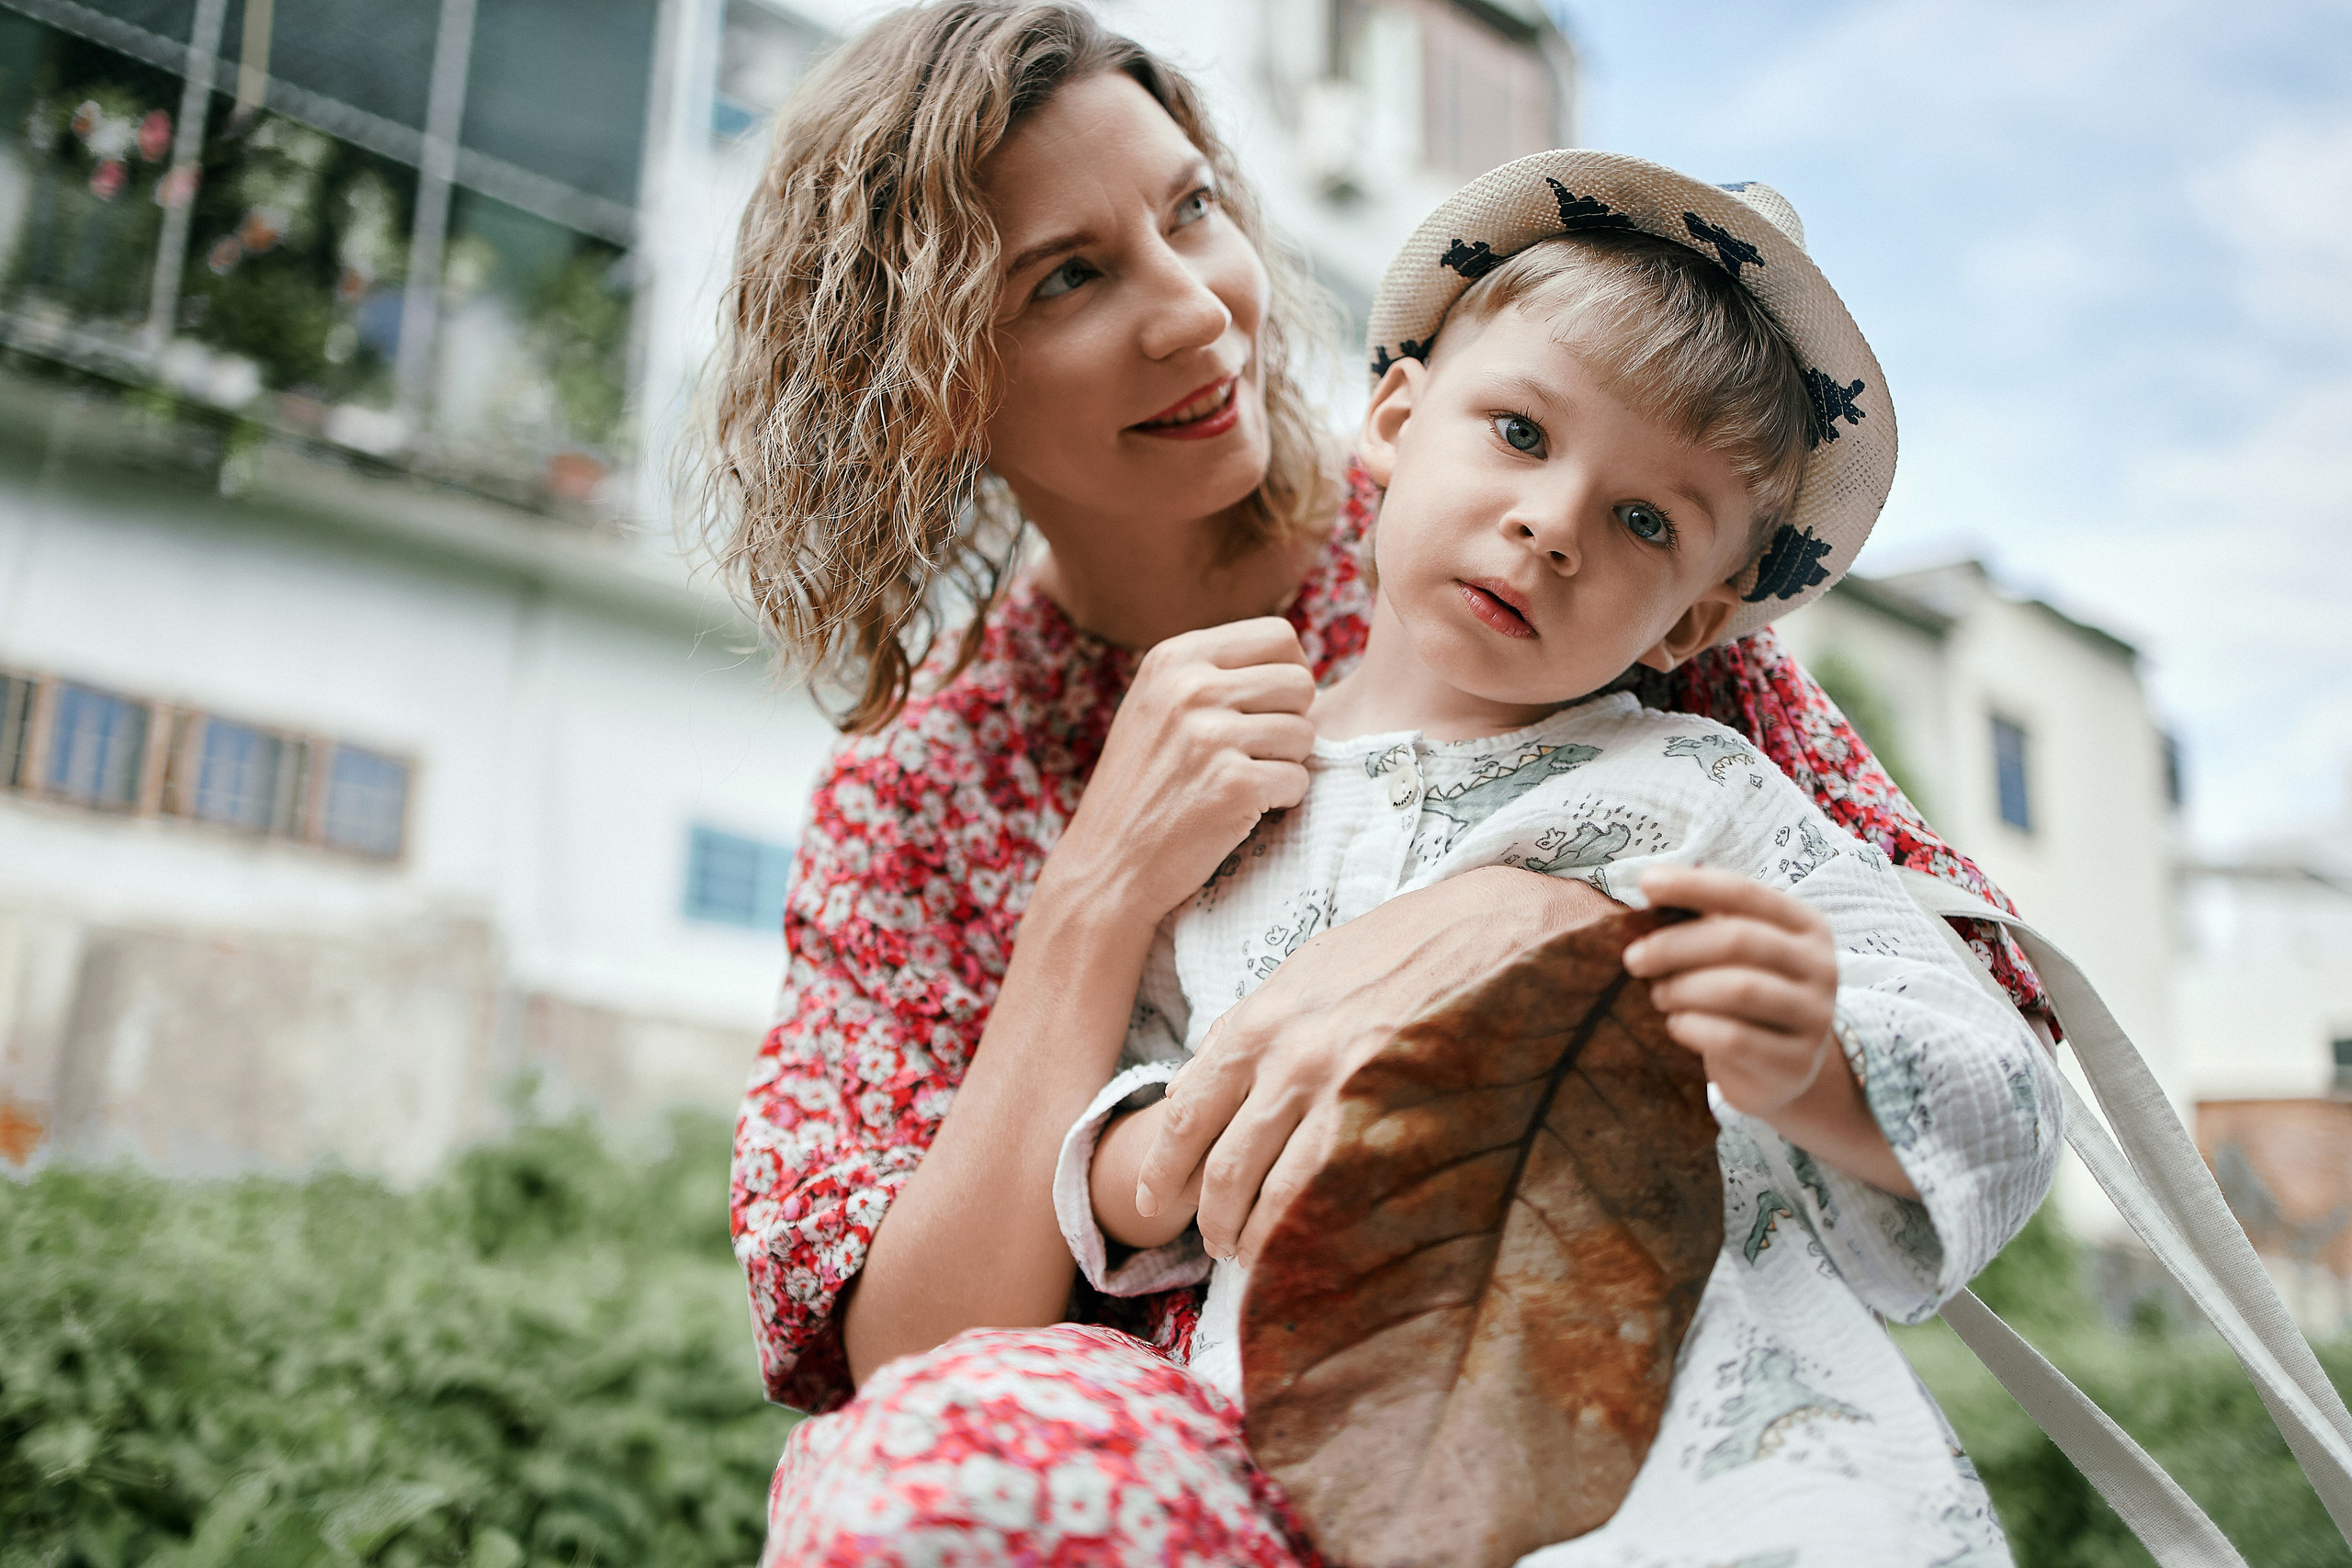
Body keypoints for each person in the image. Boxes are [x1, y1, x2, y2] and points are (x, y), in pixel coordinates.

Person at [700, 5, 2050, 1562]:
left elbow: (1955, 999)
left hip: (1700, 1420)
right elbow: (914, 1363)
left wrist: (1542, 913)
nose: (1198, 314)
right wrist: (1097, 891)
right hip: (1246, 1460)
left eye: (1192, 209)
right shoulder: (926, 792)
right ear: (926, 384)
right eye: (1068, 276)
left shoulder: (1536, 522)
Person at [1055, 157, 2060, 1565]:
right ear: (1395, 418)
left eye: (1646, 521)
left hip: (1723, 1453)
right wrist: (1143, 1166)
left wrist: (1811, 1060)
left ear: (1691, 622)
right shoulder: (1236, 797)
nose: (1555, 524)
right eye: (1520, 431)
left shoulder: (1706, 799)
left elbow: (2003, 1084)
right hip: (1354, 1452)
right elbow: (1130, 1088)